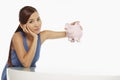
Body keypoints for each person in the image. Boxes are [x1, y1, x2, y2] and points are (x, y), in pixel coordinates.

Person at [1, 6, 82, 80]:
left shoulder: (43, 35)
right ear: (23, 26)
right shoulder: (17, 37)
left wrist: (74, 28)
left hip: (27, 77)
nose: (37, 24)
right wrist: (35, 38)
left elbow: (67, 34)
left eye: (38, 19)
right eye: (31, 21)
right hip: (12, 77)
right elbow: (26, 64)